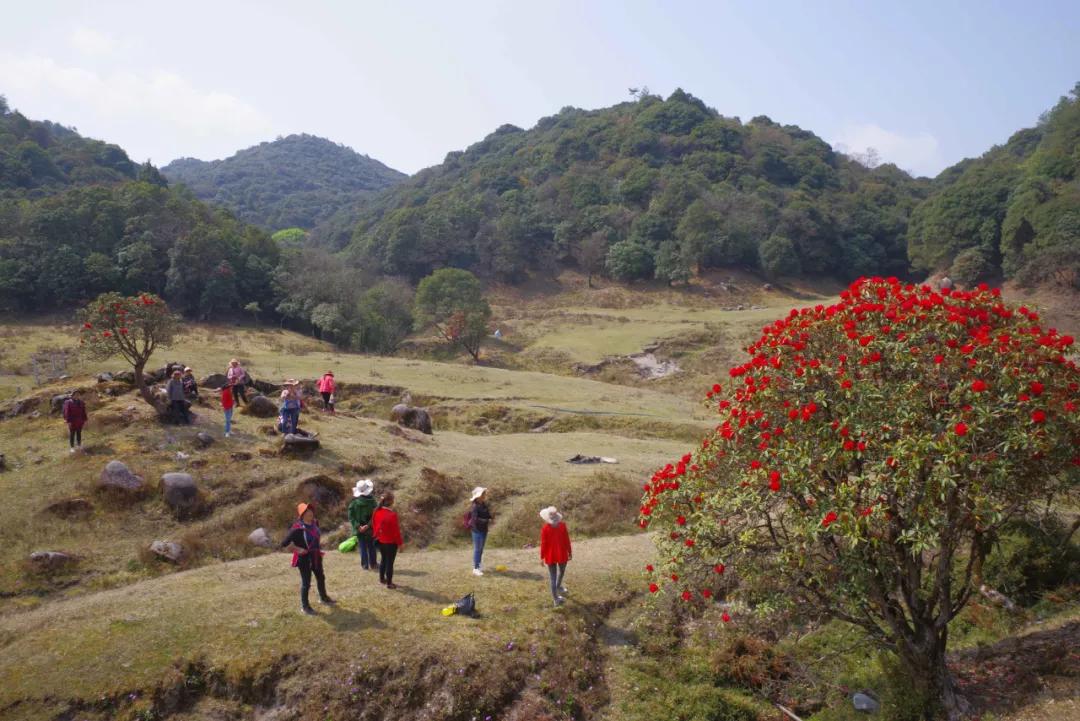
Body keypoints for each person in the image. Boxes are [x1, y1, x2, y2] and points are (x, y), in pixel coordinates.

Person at [280, 502, 335, 615]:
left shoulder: (315, 523)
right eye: (307, 511)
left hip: (316, 556)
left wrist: (318, 548)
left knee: (321, 577)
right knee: (306, 583)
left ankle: (323, 598)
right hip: (304, 559)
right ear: (302, 514)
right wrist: (297, 549)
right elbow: (284, 543)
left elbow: (316, 537)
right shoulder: (297, 528)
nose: (310, 512)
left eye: (311, 510)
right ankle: (305, 607)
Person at [539, 506, 572, 607]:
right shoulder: (562, 525)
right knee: (561, 572)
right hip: (562, 554)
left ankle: (555, 598)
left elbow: (543, 544)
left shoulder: (545, 528)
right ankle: (558, 589)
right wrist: (570, 552)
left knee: (553, 577)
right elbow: (567, 540)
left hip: (550, 556)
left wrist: (542, 557)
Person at [372, 491, 403, 589]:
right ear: (391, 501)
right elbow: (396, 531)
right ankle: (389, 583)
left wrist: (377, 535)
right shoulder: (392, 515)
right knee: (390, 562)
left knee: (383, 560)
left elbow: (374, 525)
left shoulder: (376, 511)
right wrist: (400, 544)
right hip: (390, 542)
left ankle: (382, 579)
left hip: (380, 540)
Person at [348, 479, 378, 571]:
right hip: (370, 528)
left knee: (363, 547)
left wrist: (358, 527)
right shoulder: (373, 503)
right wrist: (368, 525)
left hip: (359, 530)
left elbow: (351, 517)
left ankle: (365, 565)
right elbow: (375, 516)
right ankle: (373, 564)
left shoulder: (353, 504)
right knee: (371, 547)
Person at [468, 487, 493, 576]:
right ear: (478, 496)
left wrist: (490, 517)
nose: (484, 495)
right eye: (483, 494)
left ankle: (478, 565)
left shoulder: (483, 504)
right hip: (477, 530)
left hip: (483, 529)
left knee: (481, 549)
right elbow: (475, 520)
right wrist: (486, 521)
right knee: (478, 549)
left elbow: (487, 514)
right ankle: (476, 568)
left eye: (484, 494)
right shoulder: (475, 506)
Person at [62, 389, 88, 453]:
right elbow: (66, 412)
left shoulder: (81, 402)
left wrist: (85, 419)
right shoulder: (68, 402)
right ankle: (72, 447)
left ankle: (79, 445)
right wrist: (68, 421)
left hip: (80, 421)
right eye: (75, 395)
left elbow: (83, 411)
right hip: (72, 421)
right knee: (72, 434)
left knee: (79, 433)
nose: (77, 396)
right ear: (72, 395)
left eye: (78, 395)